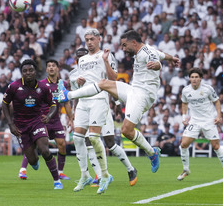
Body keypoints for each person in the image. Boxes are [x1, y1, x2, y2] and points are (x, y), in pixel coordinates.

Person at [58, 30, 180, 175]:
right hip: (134, 90)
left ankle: (151, 153)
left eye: (124, 45)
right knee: (104, 83)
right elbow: (161, 54)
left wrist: (157, 65)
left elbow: (156, 61)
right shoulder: (148, 49)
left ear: (133, 42)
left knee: (126, 131)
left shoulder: (147, 53)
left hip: (143, 96)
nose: (123, 49)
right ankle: (69, 95)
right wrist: (171, 58)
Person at [70, 48, 138, 187]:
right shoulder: (73, 75)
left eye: (84, 56)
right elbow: (76, 94)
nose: (83, 60)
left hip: (101, 106)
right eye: (79, 58)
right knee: (88, 141)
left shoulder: (98, 68)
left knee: (110, 143)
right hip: (84, 108)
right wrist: (73, 112)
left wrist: (117, 102)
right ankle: (100, 176)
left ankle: (131, 169)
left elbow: (109, 85)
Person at [62, 28, 118, 194]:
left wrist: (106, 61)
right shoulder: (83, 60)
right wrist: (79, 82)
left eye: (92, 39)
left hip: (99, 100)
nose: (89, 42)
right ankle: (84, 175)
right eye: (87, 39)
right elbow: (82, 82)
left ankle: (104, 175)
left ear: (99, 39)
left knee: (93, 138)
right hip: (83, 102)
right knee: (78, 139)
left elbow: (114, 78)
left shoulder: (106, 55)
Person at [1, 59, 63, 190]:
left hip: (37, 122)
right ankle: (33, 161)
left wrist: (49, 116)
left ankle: (57, 181)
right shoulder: (14, 87)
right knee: (32, 160)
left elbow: (53, 105)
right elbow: (4, 104)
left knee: (45, 150)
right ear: (21, 73)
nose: (28, 73)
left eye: (31, 70)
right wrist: (11, 124)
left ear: (35, 71)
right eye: (25, 71)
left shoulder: (43, 88)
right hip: (20, 127)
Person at [18, 59, 73, 181]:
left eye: (54, 65)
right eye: (49, 66)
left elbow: (66, 102)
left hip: (56, 119)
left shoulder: (63, 84)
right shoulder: (41, 84)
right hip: (41, 119)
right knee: (33, 144)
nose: (51, 68)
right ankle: (23, 170)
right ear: (47, 69)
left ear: (58, 68)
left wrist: (71, 119)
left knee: (62, 144)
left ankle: (60, 172)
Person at [177, 68, 223, 182]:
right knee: (184, 144)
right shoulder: (186, 90)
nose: (194, 79)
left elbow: (216, 101)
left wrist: (218, 116)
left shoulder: (207, 89)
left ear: (200, 78)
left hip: (208, 120)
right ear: (189, 78)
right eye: (192, 77)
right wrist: (184, 117)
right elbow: (184, 103)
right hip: (194, 121)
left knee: (216, 146)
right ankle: (186, 170)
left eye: (196, 77)